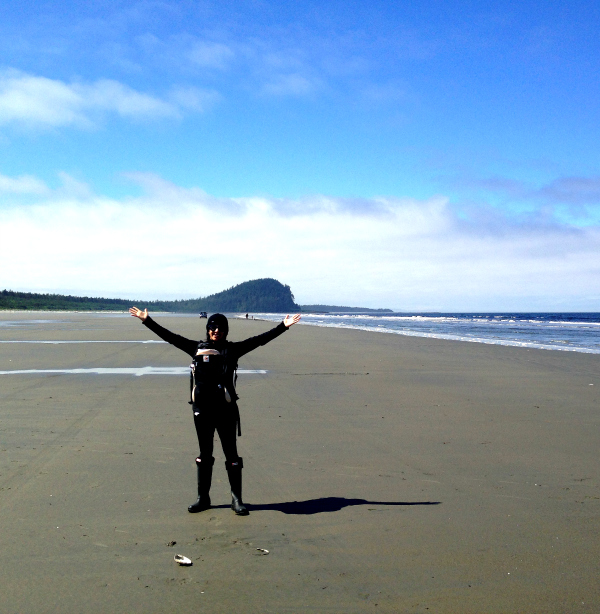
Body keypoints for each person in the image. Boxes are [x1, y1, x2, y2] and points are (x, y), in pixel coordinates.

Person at [129, 307, 301, 515]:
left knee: (232, 455)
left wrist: (283, 326)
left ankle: (236, 500)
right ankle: (203, 499)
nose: (216, 330)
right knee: (205, 454)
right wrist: (147, 321)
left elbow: (260, 340)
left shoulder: (233, 350)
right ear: (208, 329)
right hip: (202, 411)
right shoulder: (196, 348)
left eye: (220, 327)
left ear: (226, 330)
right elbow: (170, 337)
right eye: (212, 327)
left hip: (226, 410)